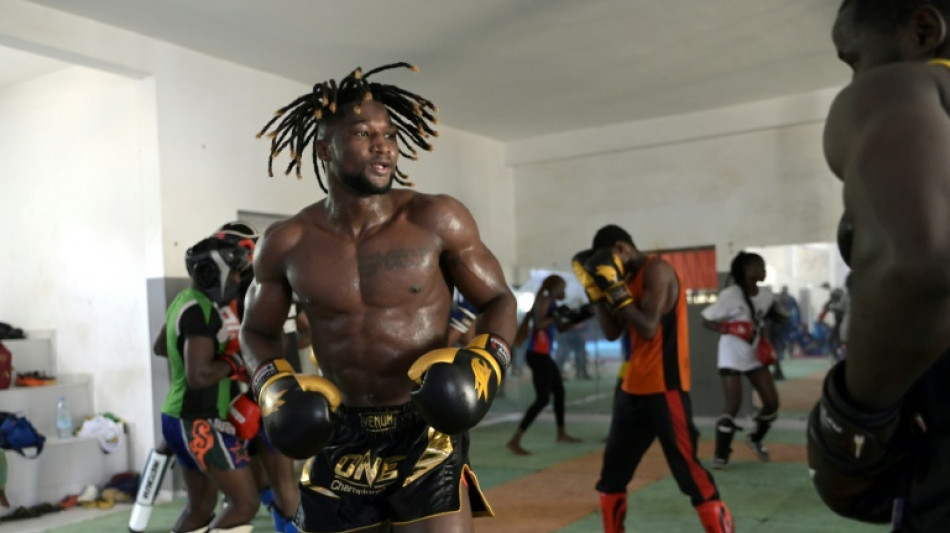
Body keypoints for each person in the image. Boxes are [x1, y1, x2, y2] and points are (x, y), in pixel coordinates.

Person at [239, 62, 517, 533]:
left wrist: (486, 364)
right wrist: (273, 388)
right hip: (338, 429)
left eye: (388, 134)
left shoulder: (436, 218)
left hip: (425, 426)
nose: (383, 145)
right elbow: (256, 331)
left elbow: (499, 300)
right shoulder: (287, 242)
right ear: (325, 148)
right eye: (363, 134)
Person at [807, 2, 950, 530]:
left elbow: (913, 262)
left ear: (924, 30)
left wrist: (854, 418)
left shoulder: (907, 85)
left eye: (854, 60)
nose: (855, 79)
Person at [574, 225, 733, 533]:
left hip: (665, 387)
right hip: (632, 388)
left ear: (621, 249)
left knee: (688, 471)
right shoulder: (624, 280)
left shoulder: (657, 270)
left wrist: (615, 289)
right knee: (612, 474)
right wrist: (596, 293)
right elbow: (612, 332)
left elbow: (648, 328)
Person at [160, 235, 259, 533]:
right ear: (210, 273)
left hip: (178, 417)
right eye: (234, 272)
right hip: (197, 420)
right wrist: (235, 361)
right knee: (245, 504)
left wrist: (207, 354)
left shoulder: (184, 300)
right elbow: (199, 376)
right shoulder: (201, 311)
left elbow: (160, 346)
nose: (238, 279)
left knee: (201, 507)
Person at [701, 251, 782, 469]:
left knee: (772, 403)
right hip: (731, 354)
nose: (763, 270)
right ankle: (721, 454)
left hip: (754, 354)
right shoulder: (731, 295)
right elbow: (706, 319)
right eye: (759, 266)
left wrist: (769, 336)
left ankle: (755, 438)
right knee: (733, 405)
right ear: (746, 270)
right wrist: (728, 328)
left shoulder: (766, 295)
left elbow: (763, 318)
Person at [506, 275, 583, 455]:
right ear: (556, 288)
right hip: (537, 355)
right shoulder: (545, 300)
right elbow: (540, 325)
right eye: (563, 288)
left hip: (543, 355)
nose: (564, 291)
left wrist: (578, 318)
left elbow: (560, 328)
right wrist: (557, 315)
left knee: (559, 392)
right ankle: (515, 440)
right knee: (542, 399)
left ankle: (561, 433)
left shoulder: (552, 303)